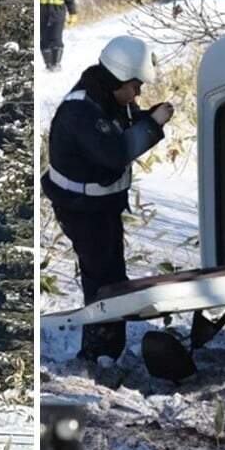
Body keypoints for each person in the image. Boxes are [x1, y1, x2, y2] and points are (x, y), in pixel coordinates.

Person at [41, 35, 174, 362]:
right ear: (119, 79)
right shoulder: (81, 111)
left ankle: (108, 350)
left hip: (102, 207)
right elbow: (116, 152)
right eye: (136, 85)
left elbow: (125, 127)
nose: (138, 93)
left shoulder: (110, 99)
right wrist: (153, 125)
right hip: (81, 210)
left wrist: (147, 118)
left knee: (113, 278)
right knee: (103, 282)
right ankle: (97, 353)